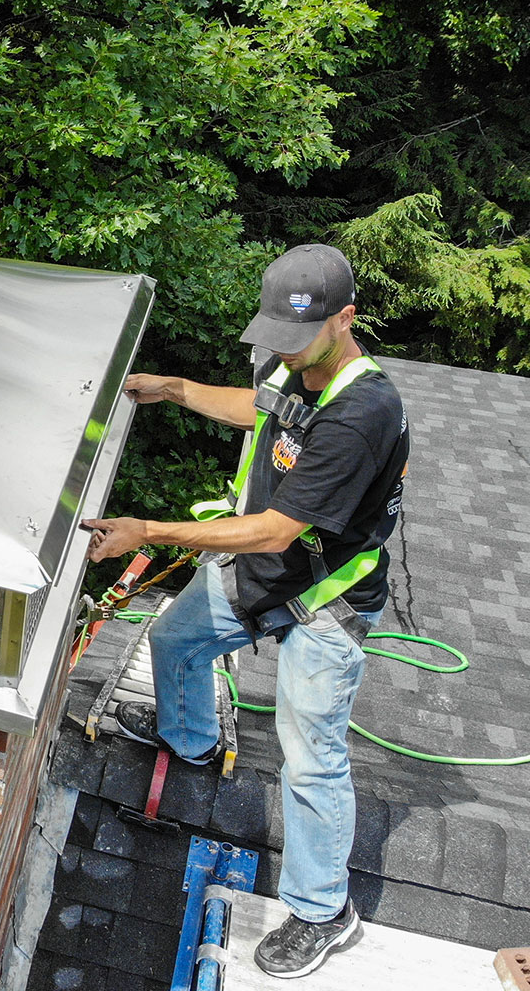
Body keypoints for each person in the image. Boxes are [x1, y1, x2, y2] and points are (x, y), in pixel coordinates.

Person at [84, 244, 409, 979]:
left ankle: (324, 911)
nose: (285, 356)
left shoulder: (363, 411)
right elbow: (259, 406)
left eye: (300, 341)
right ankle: (191, 740)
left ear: (346, 319)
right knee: (175, 640)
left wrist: (150, 531)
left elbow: (275, 529)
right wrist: (177, 388)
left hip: (328, 598)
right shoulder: (288, 358)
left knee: (310, 756)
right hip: (269, 567)